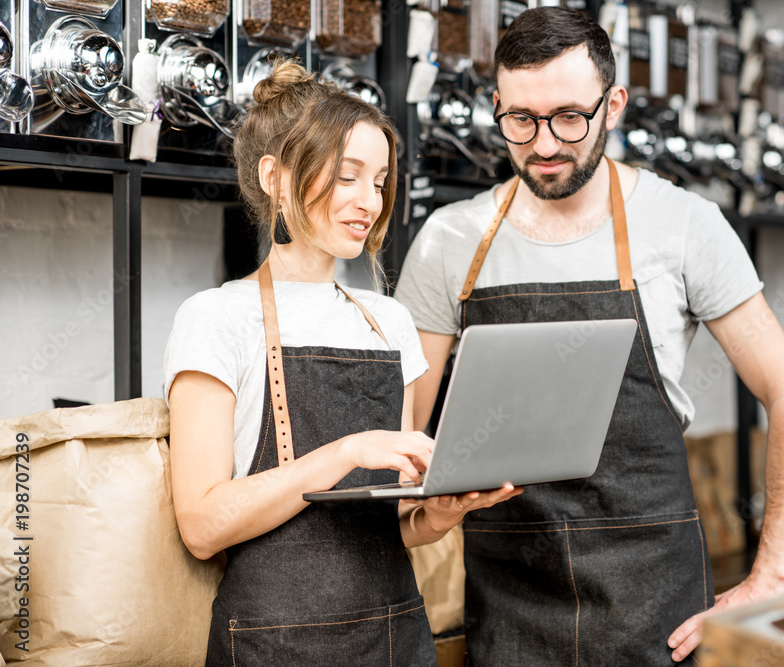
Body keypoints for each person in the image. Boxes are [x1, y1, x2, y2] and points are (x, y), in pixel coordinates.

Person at [394, 7, 784, 665]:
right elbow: (403, 440)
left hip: (655, 611)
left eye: (569, 117)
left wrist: (769, 578)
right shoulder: (450, 242)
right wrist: (425, 513)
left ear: (613, 104)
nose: (543, 145)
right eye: (521, 120)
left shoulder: (685, 226)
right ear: (497, 105)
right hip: (508, 610)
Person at [163, 60, 519, 666]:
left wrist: (436, 515)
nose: (369, 201)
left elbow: (392, 526)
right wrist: (347, 452)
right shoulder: (217, 318)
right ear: (274, 176)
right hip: (274, 644)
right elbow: (201, 524)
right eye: (348, 176)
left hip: (398, 635)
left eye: (379, 181)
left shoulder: (389, 322)